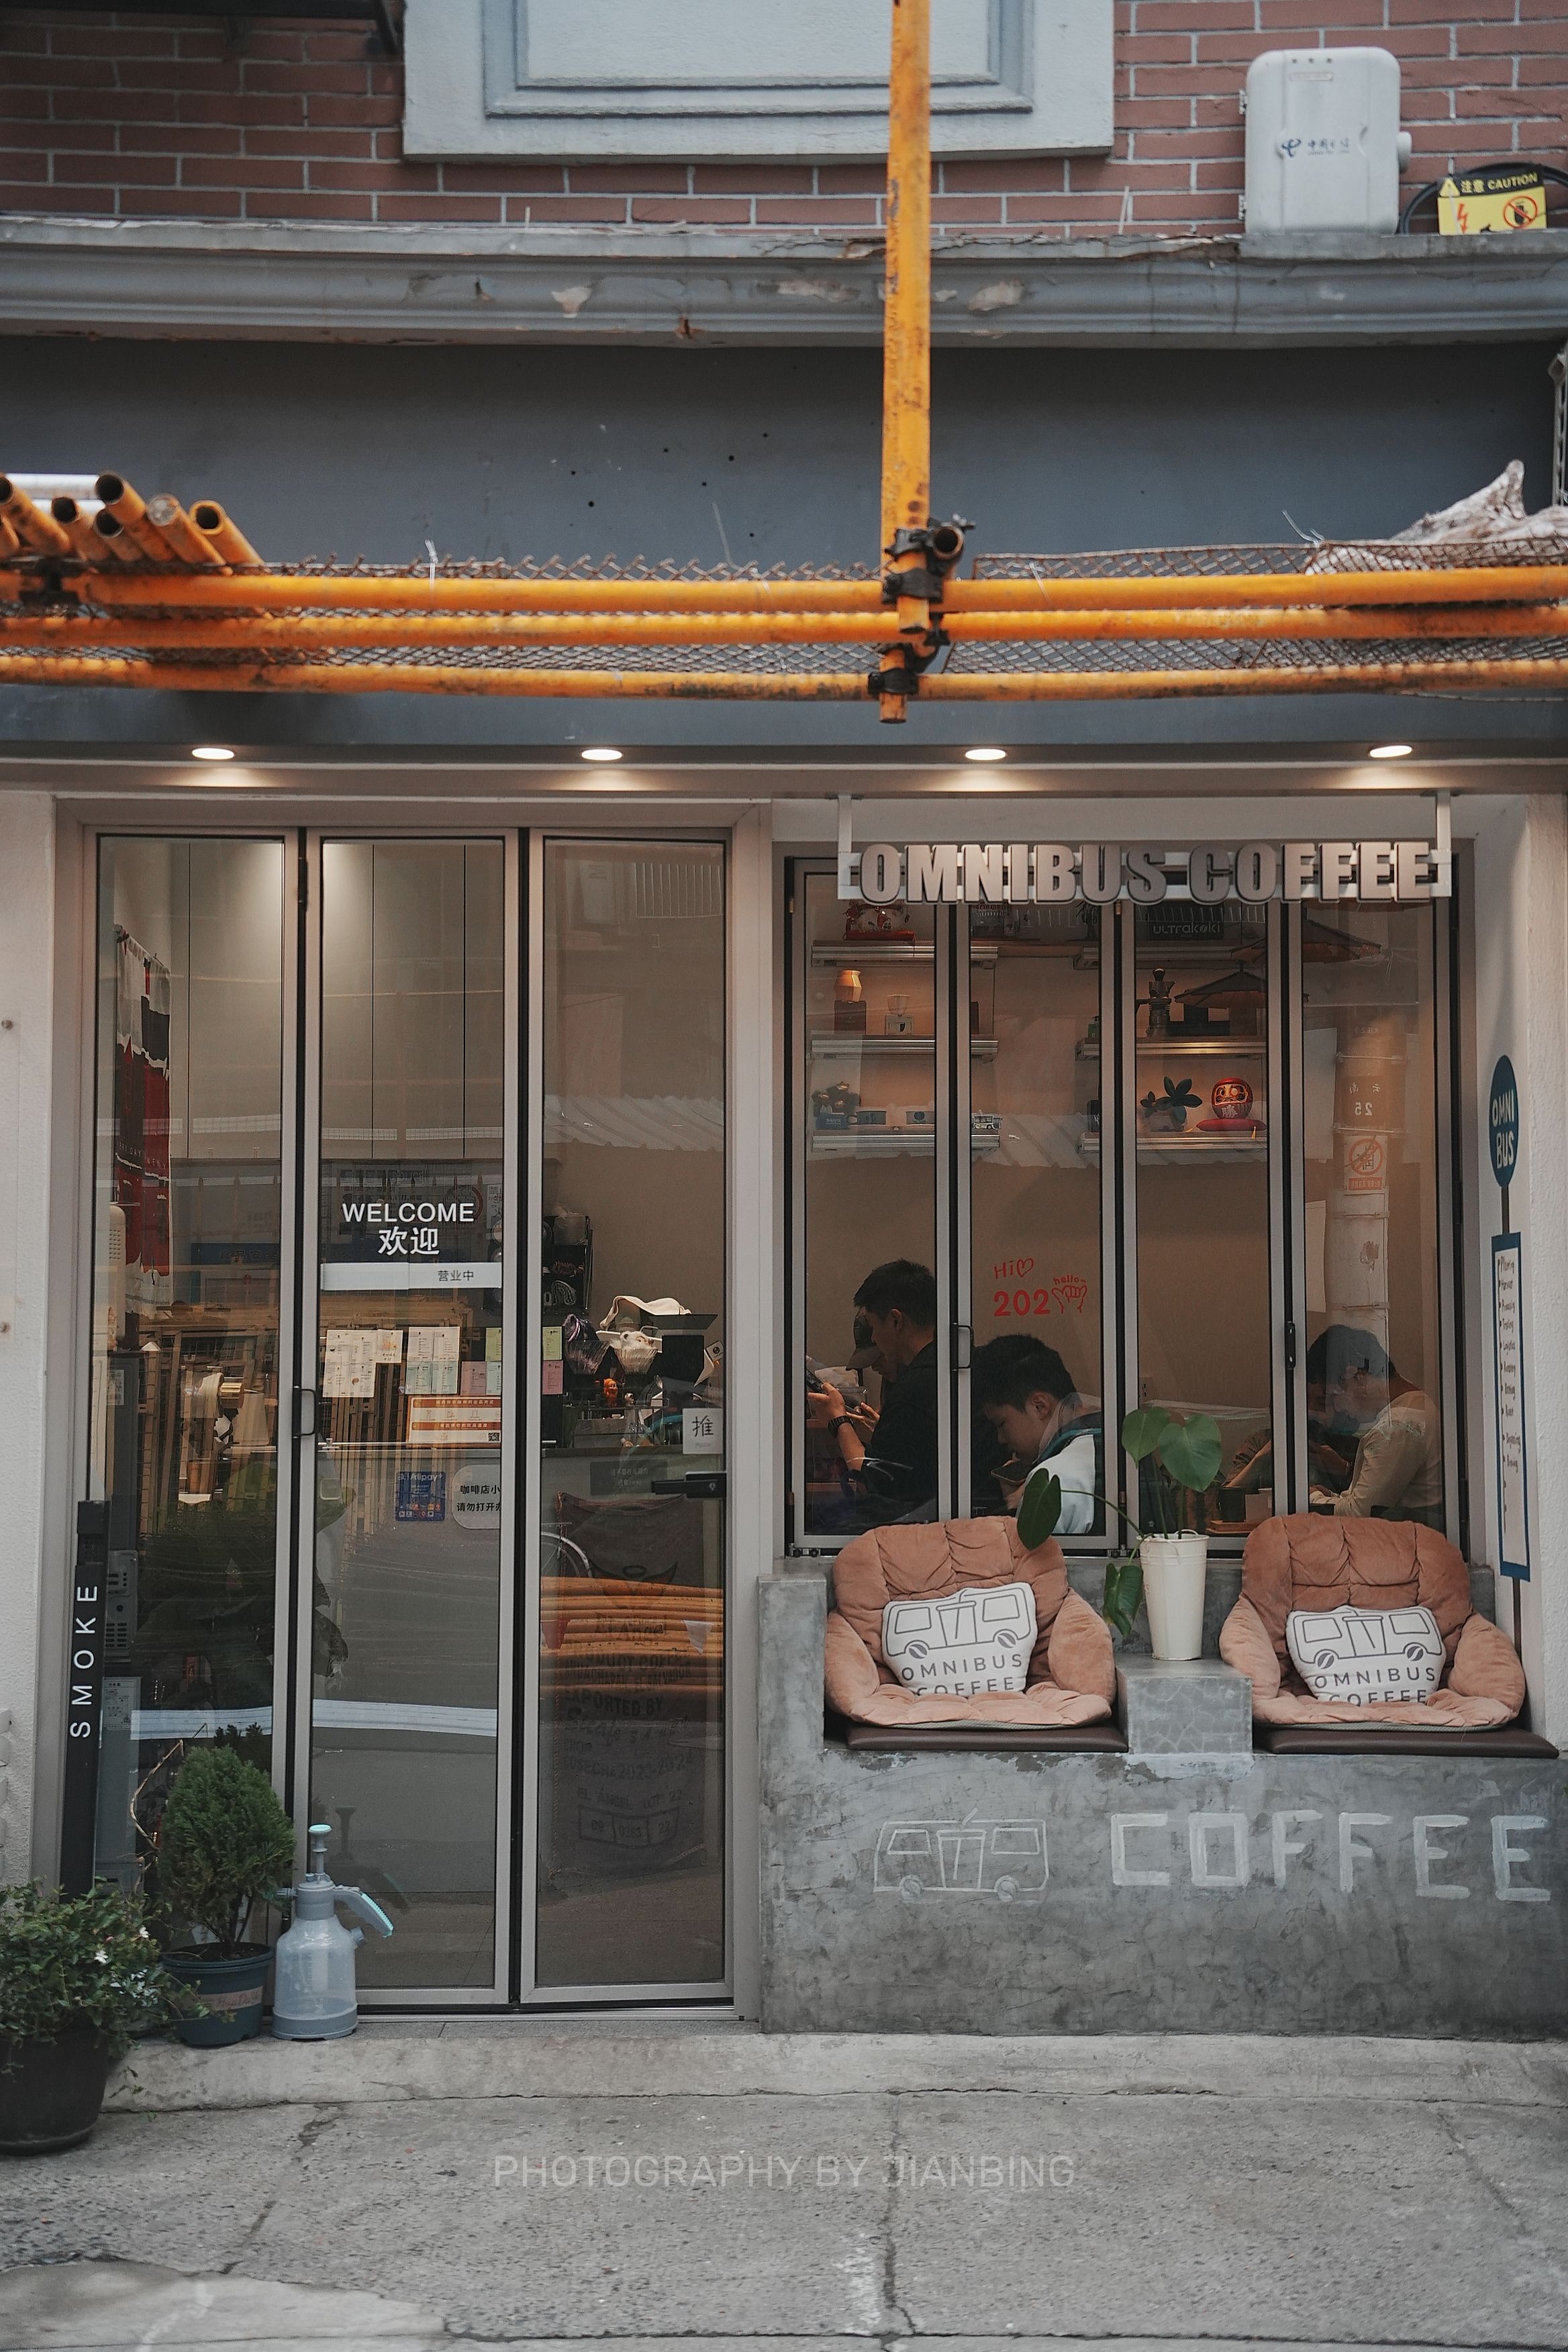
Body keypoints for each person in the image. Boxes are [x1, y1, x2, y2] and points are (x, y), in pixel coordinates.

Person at [807, 1260, 938, 1520]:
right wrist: (880, 1431)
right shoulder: (953, 1374)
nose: (875, 1338)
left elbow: (871, 1483)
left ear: (895, 1321)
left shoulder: (912, 1391)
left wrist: (838, 1420)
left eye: (875, 1328)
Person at [1305, 1324, 1442, 1526]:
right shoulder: (1417, 1405)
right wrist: (1332, 1497)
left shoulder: (1397, 1427)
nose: (1338, 1408)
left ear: (1358, 1376)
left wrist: (1313, 1497)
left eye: (1334, 1396)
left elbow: (1359, 1515)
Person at [973, 1333, 1102, 1536]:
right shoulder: (1123, 1450)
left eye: (1001, 1424)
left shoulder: (1053, 1479)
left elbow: (1030, 1553)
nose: (1000, 1439)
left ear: (1039, 1406)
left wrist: (1015, 1510)